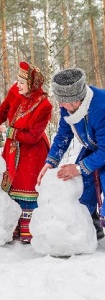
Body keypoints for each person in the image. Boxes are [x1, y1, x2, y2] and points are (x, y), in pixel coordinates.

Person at [38, 67, 105, 240]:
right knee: (83, 185)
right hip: (95, 147)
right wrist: (50, 162)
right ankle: (90, 225)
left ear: (76, 100)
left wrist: (80, 167)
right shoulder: (68, 106)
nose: (59, 105)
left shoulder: (100, 108)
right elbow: (63, 134)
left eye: (63, 101)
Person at [0, 61, 52, 243]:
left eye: (22, 83)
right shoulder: (15, 91)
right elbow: (2, 111)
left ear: (32, 84)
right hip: (12, 148)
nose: (18, 85)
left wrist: (7, 131)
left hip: (33, 152)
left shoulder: (44, 106)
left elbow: (33, 136)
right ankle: (12, 227)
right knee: (10, 183)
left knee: (27, 186)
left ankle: (29, 230)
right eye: (18, 81)